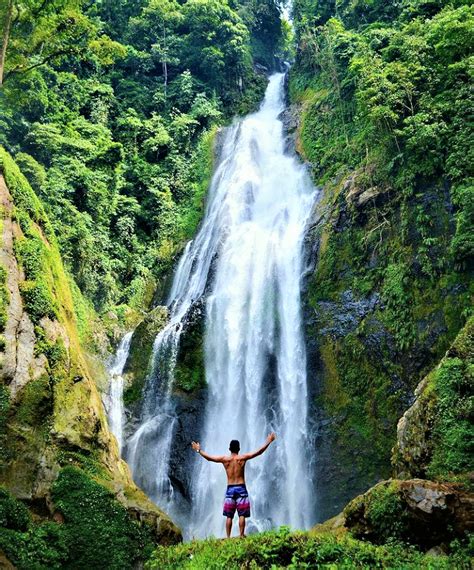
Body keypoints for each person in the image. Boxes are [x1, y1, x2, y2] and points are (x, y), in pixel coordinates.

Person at [191, 433, 276, 538]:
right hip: (241, 488)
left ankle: (228, 537)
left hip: (230, 489)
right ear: (239, 449)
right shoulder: (242, 458)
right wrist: (269, 441)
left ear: (229, 449)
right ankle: (241, 535)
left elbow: (209, 458)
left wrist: (198, 450)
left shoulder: (225, 460)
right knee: (242, 514)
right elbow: (259, 452)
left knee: (229, 515)